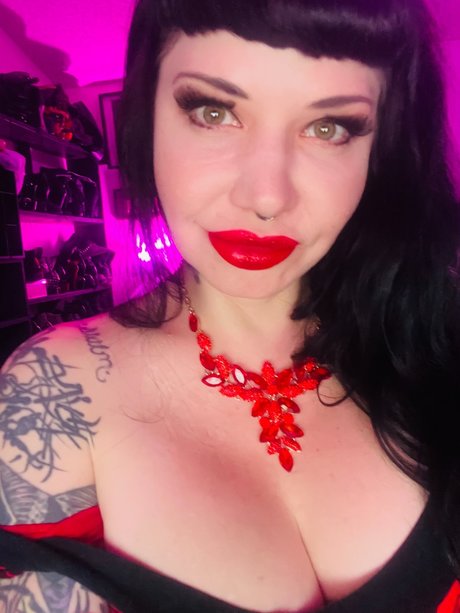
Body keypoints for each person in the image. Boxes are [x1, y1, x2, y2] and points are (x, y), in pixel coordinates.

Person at [1, 0, 460, 611]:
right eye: (214, 112)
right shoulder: (54, 388)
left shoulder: (432, 337)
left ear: (381, 151)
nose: (266, 197)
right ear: (146, 117)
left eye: (329, 128)